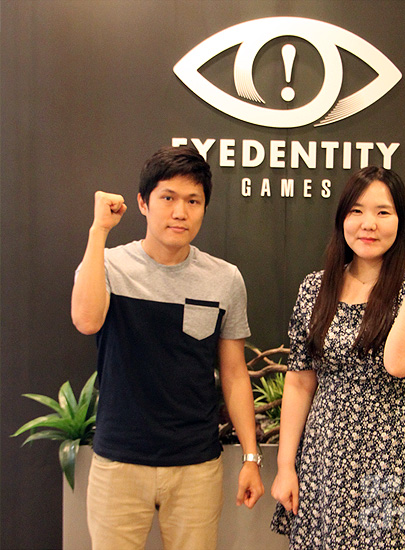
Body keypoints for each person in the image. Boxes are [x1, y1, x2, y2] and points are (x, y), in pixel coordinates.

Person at [71, 146, 264, 550]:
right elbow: (86, 321)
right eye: (168, 198)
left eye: (193, 201)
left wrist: (251, 456)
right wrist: (98, 231)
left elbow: (234, 372)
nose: (180, 212)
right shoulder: (108, 265)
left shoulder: (225, 279)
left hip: (195, 466)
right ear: (143, 203)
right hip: (118, 462)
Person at [270, 166, 405, 549]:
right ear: (342, 218)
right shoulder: (315, 287)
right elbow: (299, 381)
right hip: (326, 460)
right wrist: (284, 466)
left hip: (400, 457)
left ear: (401, 220)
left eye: (383, 212)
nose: (369, 224)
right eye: (357, 211)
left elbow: (399, 364)